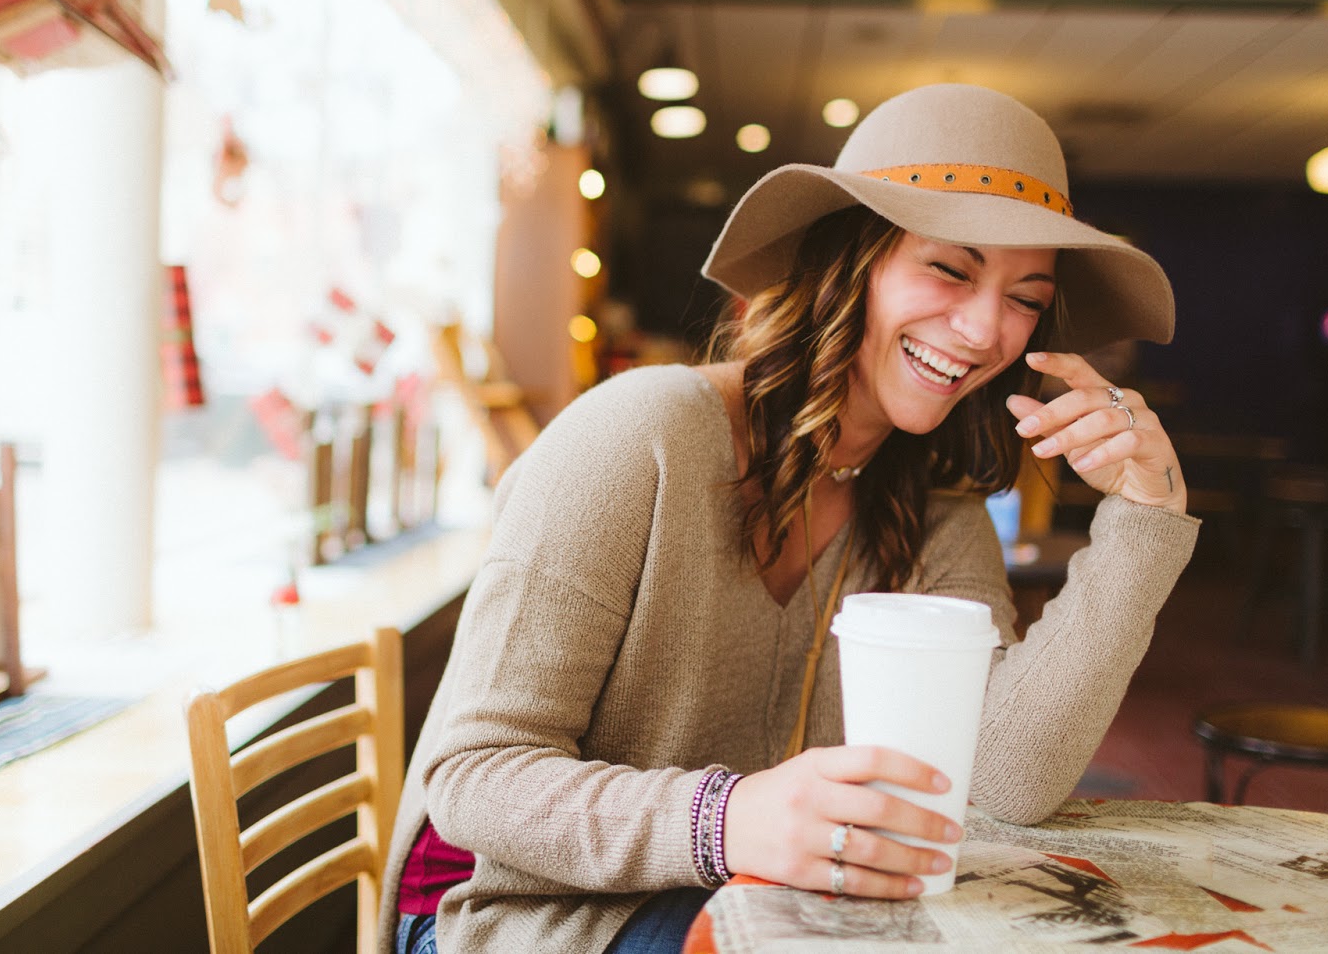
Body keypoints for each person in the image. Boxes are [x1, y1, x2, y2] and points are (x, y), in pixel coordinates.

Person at [380, 83, 1199, 954]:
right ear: (844, 261)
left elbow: (999, 779)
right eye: (950, 269)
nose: (982, 329)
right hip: (515, 916)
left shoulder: (934, 501)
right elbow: (473, 781)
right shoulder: (637, 437)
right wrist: (729, 819)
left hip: (749, 907)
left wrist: (1145, 522)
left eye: (1025, 297)